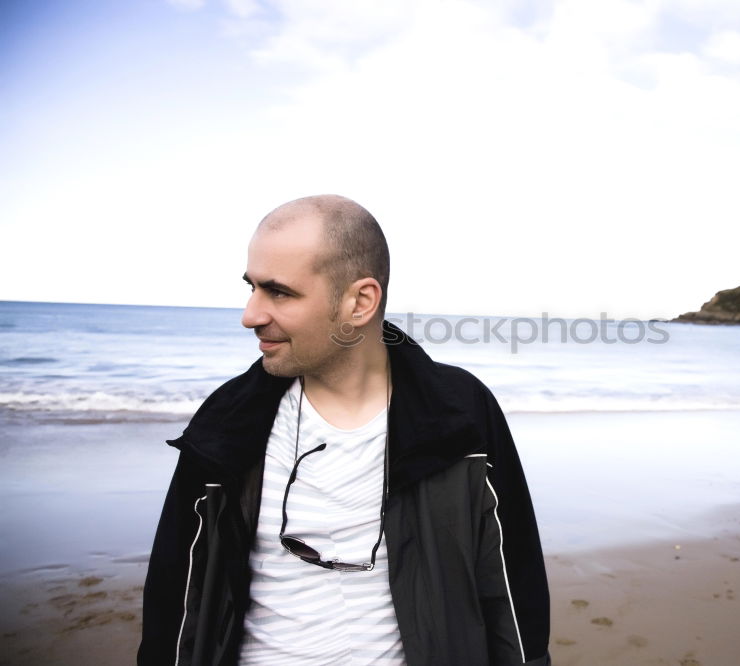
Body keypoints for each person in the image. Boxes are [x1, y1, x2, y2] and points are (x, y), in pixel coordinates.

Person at [138, 195, 550, 665]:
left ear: (360, 302)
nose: (250, 314)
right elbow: (175, 601)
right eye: (250, 287)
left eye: (279, 292)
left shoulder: (458, 415)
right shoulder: (228, 422)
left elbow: (514, 593)